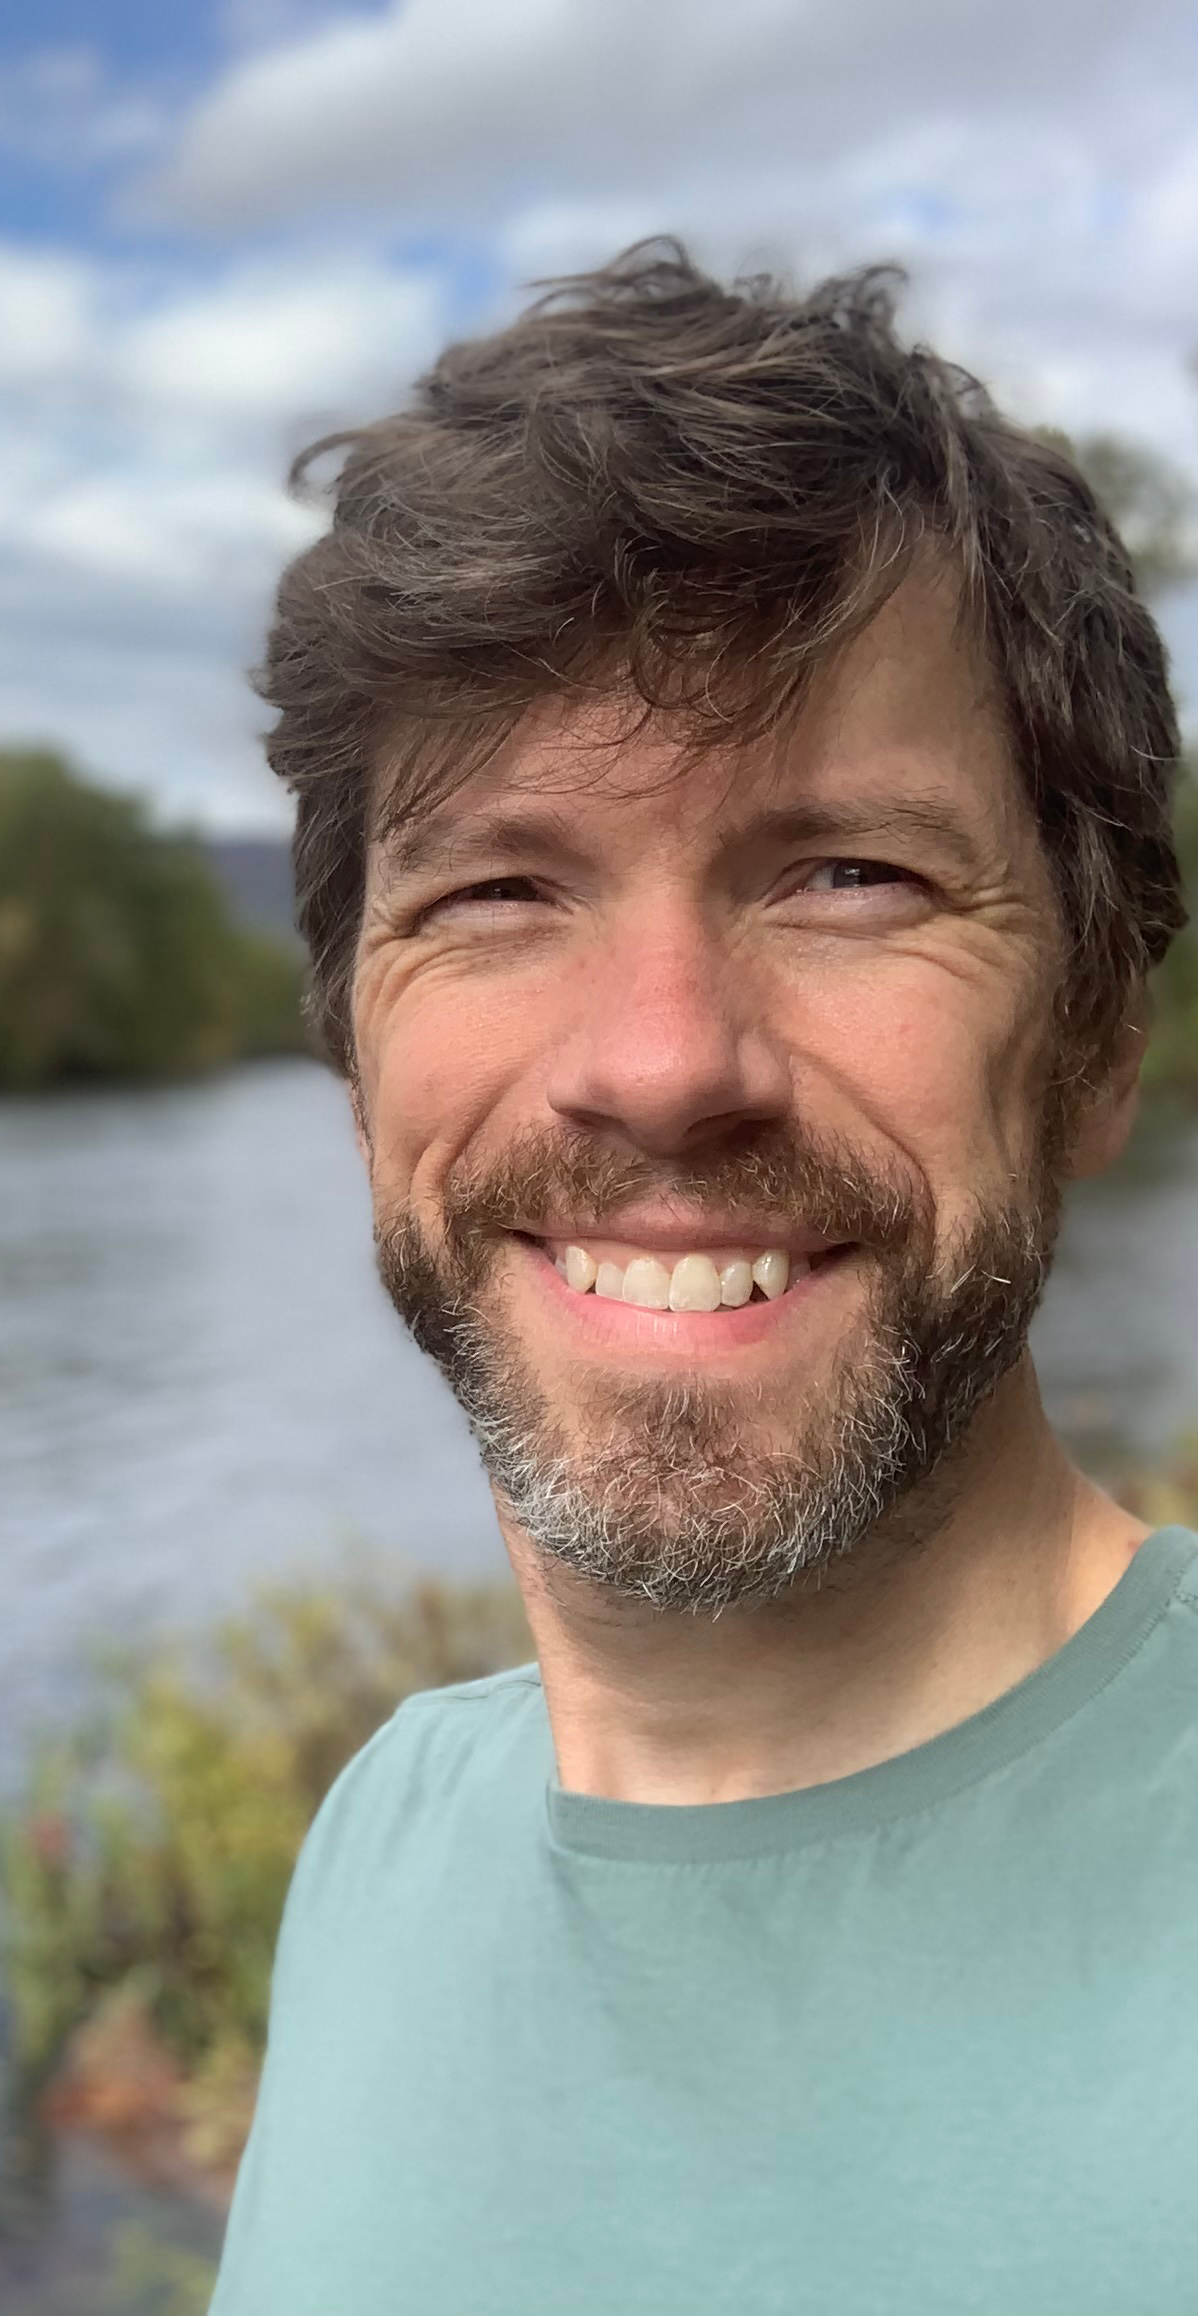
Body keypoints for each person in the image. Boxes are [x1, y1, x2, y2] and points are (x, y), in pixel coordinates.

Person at [208, 242, 1194, 2314]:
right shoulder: (384, 1838)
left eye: (846, 874)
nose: (659, 1057)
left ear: (1093, 1034)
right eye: (494, 889)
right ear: (356, 1049)